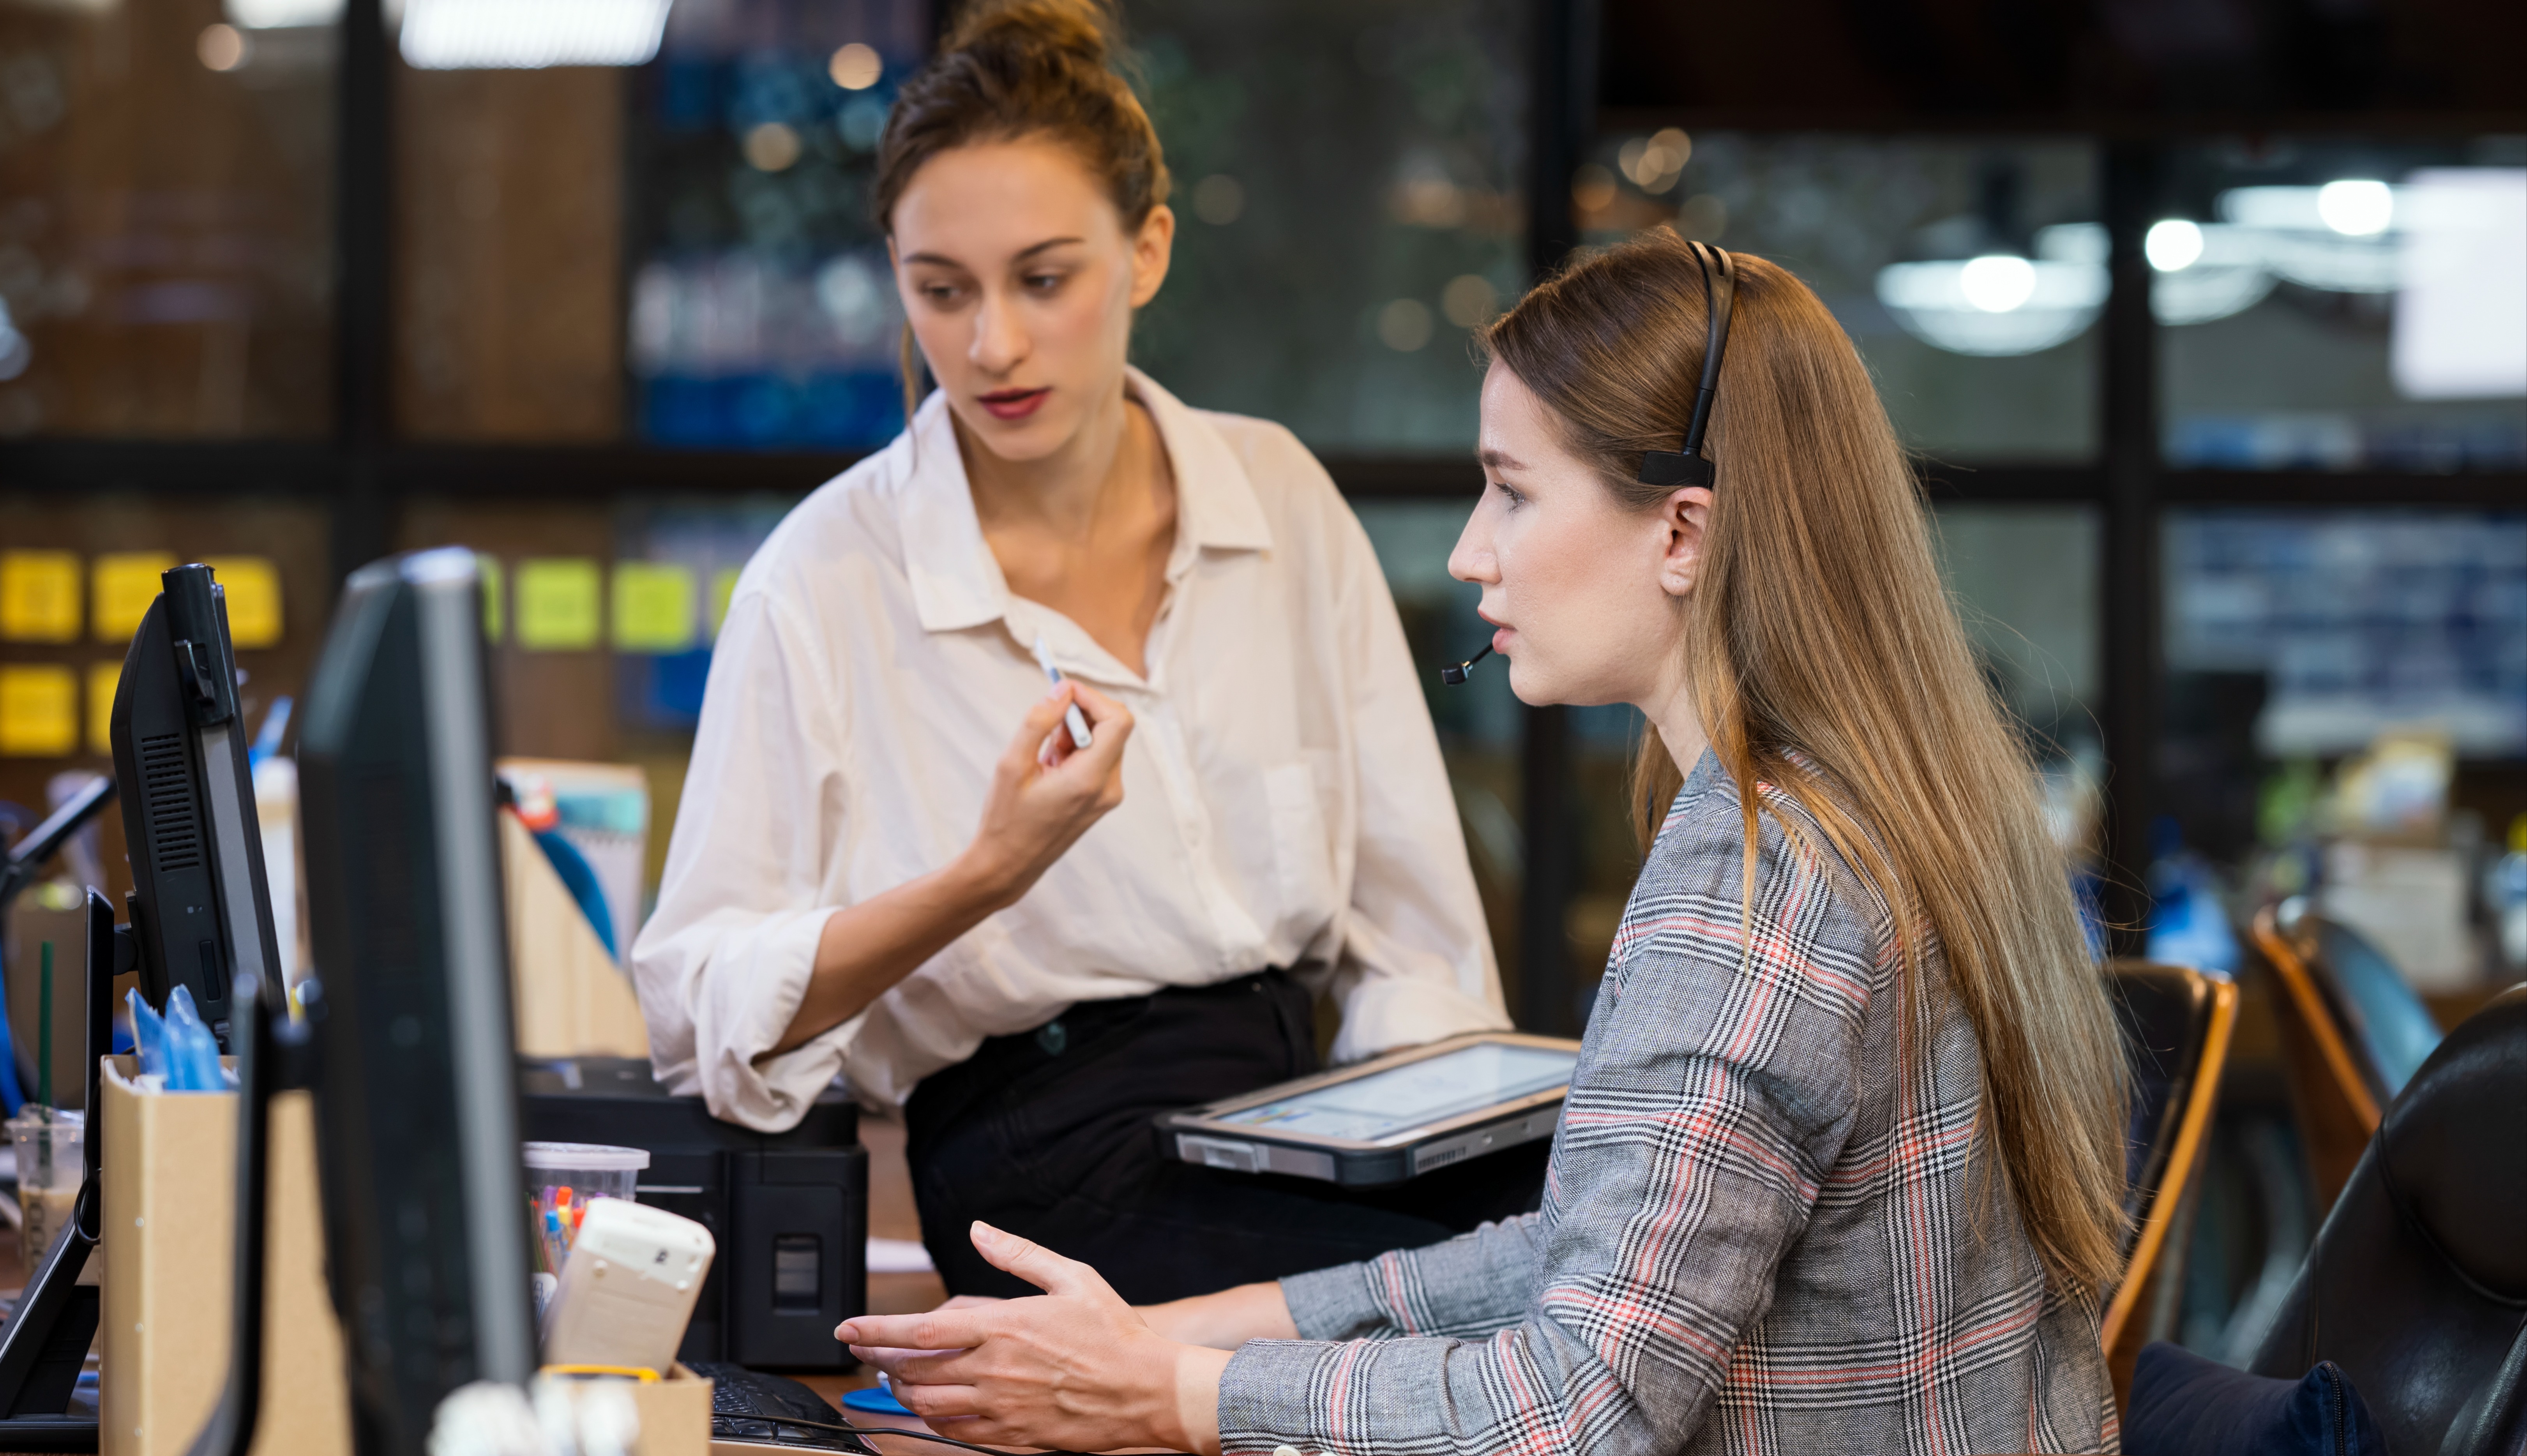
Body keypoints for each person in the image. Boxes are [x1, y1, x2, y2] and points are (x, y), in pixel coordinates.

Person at [835, 229, 2135, 1453]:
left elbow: (1583, 1407)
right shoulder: (1859, 805)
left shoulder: (1756, 882)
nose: (1470, 553)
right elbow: (1580, 1250)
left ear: (1682, 533)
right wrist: (1178, 1334)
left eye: (1512, 491)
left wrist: (1164, 1393)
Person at [627, 0, 1521, 1304]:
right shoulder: (821, 581)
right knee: (1474, 1293)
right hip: (1036, 1158)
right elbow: (697, 1005)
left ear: (1147, 250)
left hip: (1296, 1125)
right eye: (941, 290)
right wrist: (985, 874)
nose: (991, 343)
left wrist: (1439, 1145)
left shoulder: (1276, 497)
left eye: (1044, 280)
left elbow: (1414, 941)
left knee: (1581, 1235)